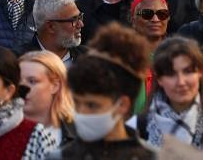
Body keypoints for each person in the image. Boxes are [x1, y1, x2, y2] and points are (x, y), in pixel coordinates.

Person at [51, 23, 159, 159]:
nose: (81, 113)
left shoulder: (155, 157)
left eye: (92, 105)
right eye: (76, 104)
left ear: (122, 105)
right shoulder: (59, 157)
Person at [137, 37, 203, 160]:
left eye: (187, 71)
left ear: (200, 74)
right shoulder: (139, 127)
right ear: (159, 79)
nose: (181, 82)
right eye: (171, 73)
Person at [19, 50, 76, 146]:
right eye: (17, 81)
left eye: (32, 81)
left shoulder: (83, 133)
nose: (22, 88)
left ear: (55, 86)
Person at [18, 0, 86, 64]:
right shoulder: (19, 61)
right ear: (51, 27)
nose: (81, 24)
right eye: (73, 20)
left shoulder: (88, 58)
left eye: (80, 17)